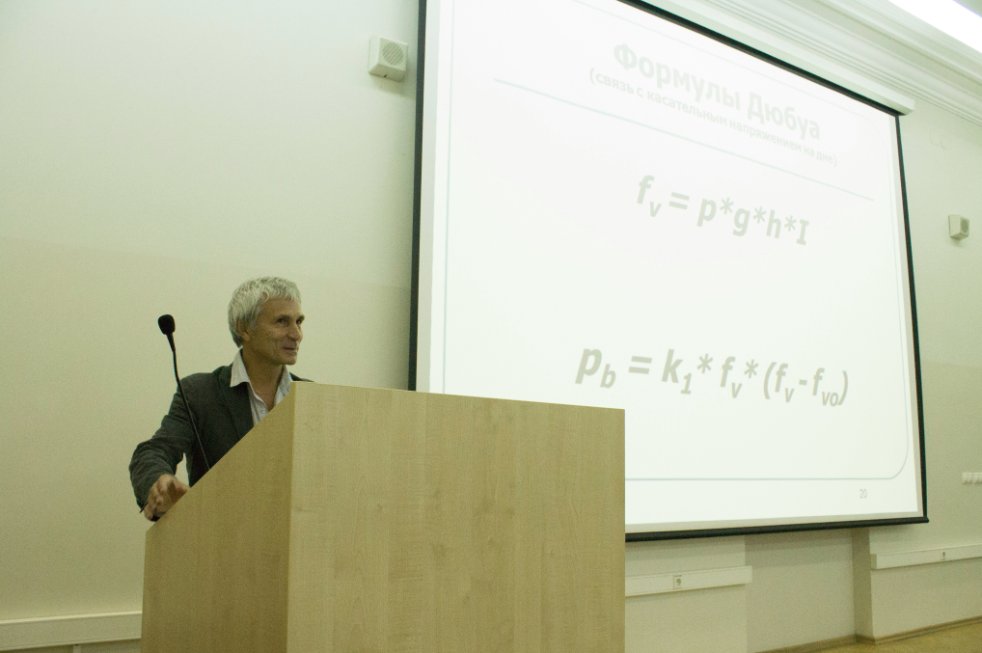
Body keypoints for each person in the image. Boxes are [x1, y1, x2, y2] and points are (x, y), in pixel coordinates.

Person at [129, 276, 307, 520]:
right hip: (220, 534)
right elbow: (154, 451)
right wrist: (159, 484)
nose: (296, 334)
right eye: (282, 322)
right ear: (244, 328)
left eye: (299, 322)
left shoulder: (311, 397)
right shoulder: (200, 393)